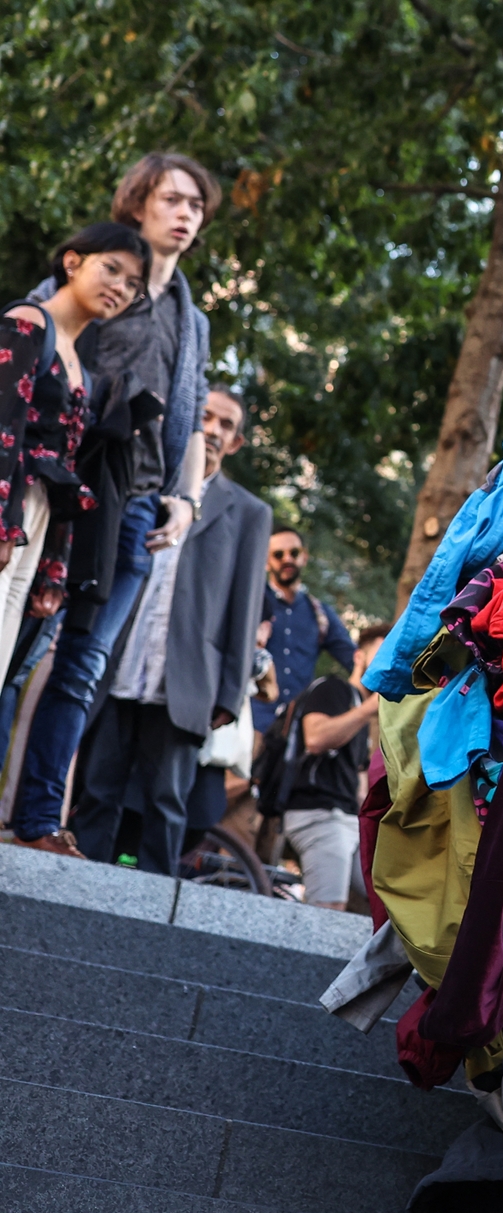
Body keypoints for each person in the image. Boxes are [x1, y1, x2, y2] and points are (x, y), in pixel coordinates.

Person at [12, 152, 221, 857]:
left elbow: (191, 421)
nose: (186, 214)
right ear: (138, 204)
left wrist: (186, 501)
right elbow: (34, 360)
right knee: (18, 645)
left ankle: (39, 821)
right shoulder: (89, 276)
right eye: (173, 199)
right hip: (62, 492)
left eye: (196, 205)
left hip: (137, 507)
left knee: (83, 665)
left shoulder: (194, 319)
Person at [69, 387, 270, 874]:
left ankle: (154, 915)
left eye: (227, 425)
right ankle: (79, 888)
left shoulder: (248, 512)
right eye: (207, 419)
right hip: (120, 662)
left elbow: (245, 611)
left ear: (237, 442)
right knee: (97, 789)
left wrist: (228, 691)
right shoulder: (148, 485)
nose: (216, 432)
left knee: (166, 801)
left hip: (185, 680)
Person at [0, 224, 149, 709]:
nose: (120, 288)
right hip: (10, 508)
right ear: (72, 262)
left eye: (132, 284)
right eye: (112, 269)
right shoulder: (28, 322)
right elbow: (3, 426)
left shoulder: (81, 365)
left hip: (39, 522)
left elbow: (65, 470)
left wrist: (53, 568)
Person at [277, 622, 387, 910]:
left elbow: (361, 785)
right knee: (328, 912)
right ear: (358, 657)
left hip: (347, 820)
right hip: (320, 814)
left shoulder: (361, 715)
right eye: (381, 652)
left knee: (386, 906)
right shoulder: (333, 689)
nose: (389, 660)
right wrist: (368, 710)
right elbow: (315, 738)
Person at [255, 525, 355, 734]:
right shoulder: (251, 602)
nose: (287, 559)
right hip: (251, 724)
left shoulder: (320, 614)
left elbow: (354, 659)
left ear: (304, 557)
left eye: (294, 553)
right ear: (266, 561)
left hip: (296, 730)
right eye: (278, 554)